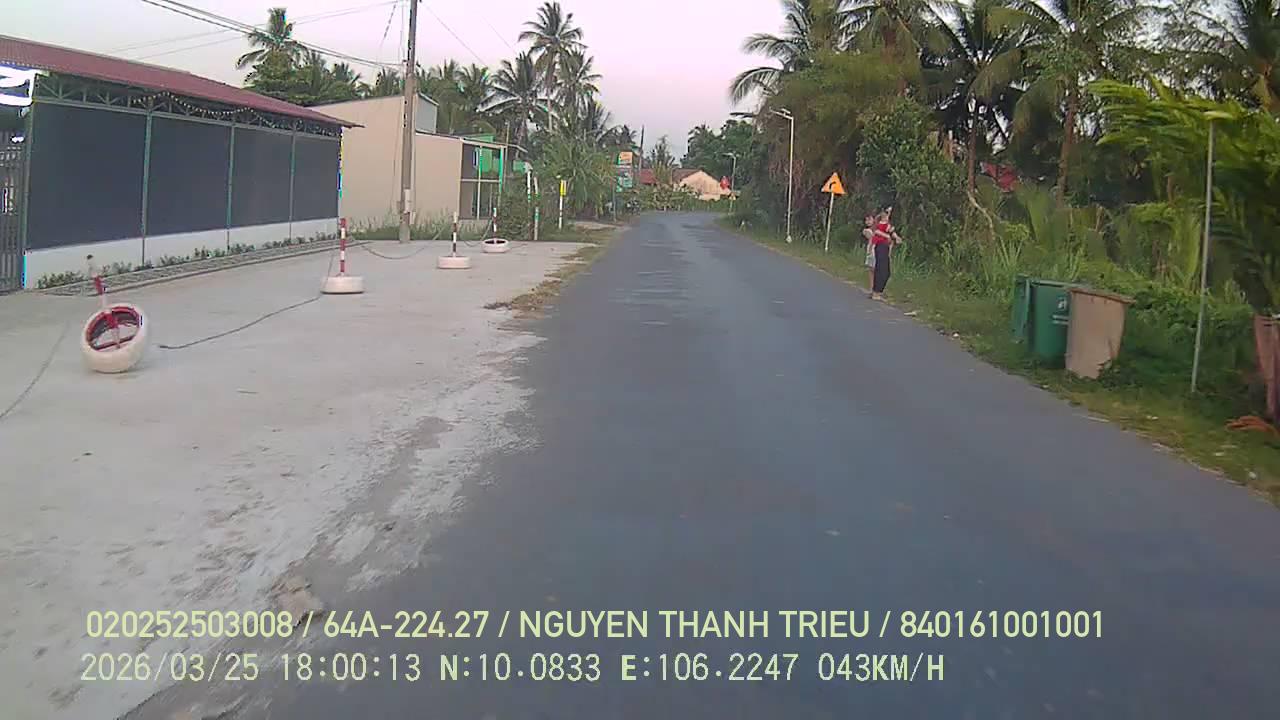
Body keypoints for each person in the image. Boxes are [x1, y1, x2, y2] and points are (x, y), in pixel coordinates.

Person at [870, 206, 903, 301]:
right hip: (879, 247)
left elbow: (892, 232)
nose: (888, 214)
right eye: (887, 212)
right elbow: (876, 231)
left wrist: (897, 238)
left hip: (886, 248)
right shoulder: (877, 223)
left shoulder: (888, 225)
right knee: (880, 269)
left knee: (886, 272)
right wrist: (886, 236)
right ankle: (875, 292)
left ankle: (879, 291)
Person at [861, 214, 876, 293]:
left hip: (877, 250)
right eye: (866, 220)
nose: (868, 222)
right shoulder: (866, 230)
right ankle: (871, 287)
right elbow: (870, 236)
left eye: (869, 219)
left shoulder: (878, 228)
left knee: (875, 269)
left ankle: (876, 288)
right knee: (871, 269)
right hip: (871, 250)